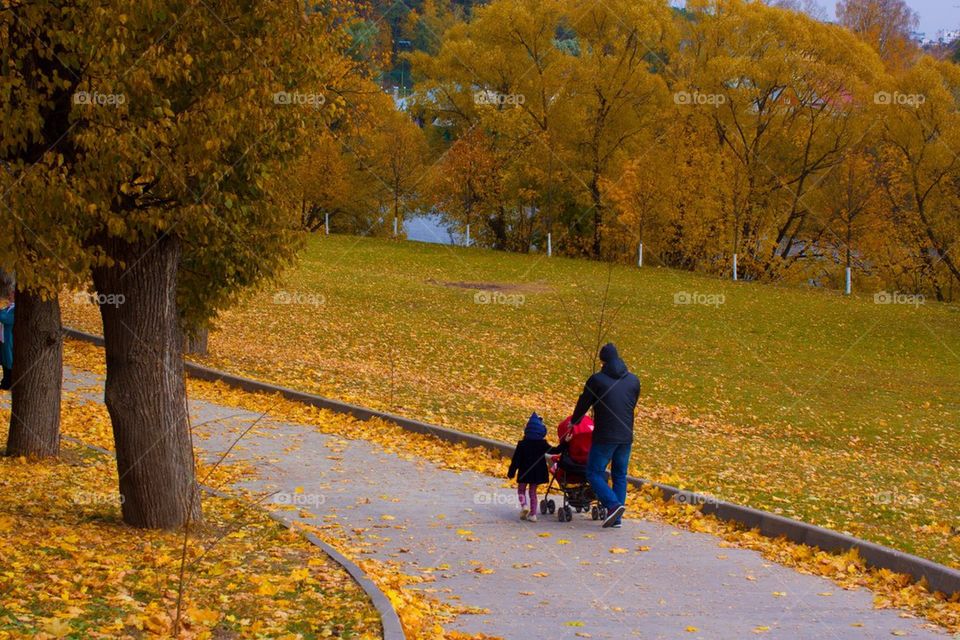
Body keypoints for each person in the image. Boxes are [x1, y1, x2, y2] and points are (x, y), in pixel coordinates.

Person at [570, 343, 640, 528]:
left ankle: (613, 505)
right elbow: (631, 404)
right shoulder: (634, 380)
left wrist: (574, 421)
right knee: (619, 475)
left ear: (603, 361)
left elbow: (584, 403)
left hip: (605, 435)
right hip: (626, 435)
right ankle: (616, 519)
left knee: (593, 472)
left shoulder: (597, 380)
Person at [507, 412, 566, 522]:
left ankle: (524, 505)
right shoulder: (542, 444)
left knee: (521, 490)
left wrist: (511, 472)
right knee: (532, 492)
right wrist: (565, 443)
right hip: (536, 473)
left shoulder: (522, 444)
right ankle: (533, 515)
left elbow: (516, 460)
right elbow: (555, 450)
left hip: (525, 471)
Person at [0, 286, 14, 391]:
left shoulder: (14, 308)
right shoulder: (9, 307)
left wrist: (3, 312)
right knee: (4, 360)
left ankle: (9, 382)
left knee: (9, 360)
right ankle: (5, 381)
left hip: (9, 337)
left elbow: (6, 318)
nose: (9, 296)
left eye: (11, 294)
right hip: (3, 338)